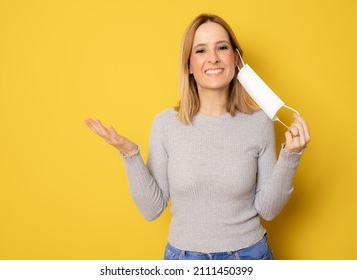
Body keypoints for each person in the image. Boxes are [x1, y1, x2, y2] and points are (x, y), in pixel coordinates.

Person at [84, 13, 311, 260]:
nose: (213, 58)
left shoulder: (259, 123)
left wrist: (291, 156)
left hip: (248, 257)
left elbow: (268, 209)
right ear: (189, 65)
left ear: (235, 58)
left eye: (222, 47)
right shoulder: (165, 124)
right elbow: (152, 209)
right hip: (183, 259)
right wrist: (130, 154)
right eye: (201, 51)